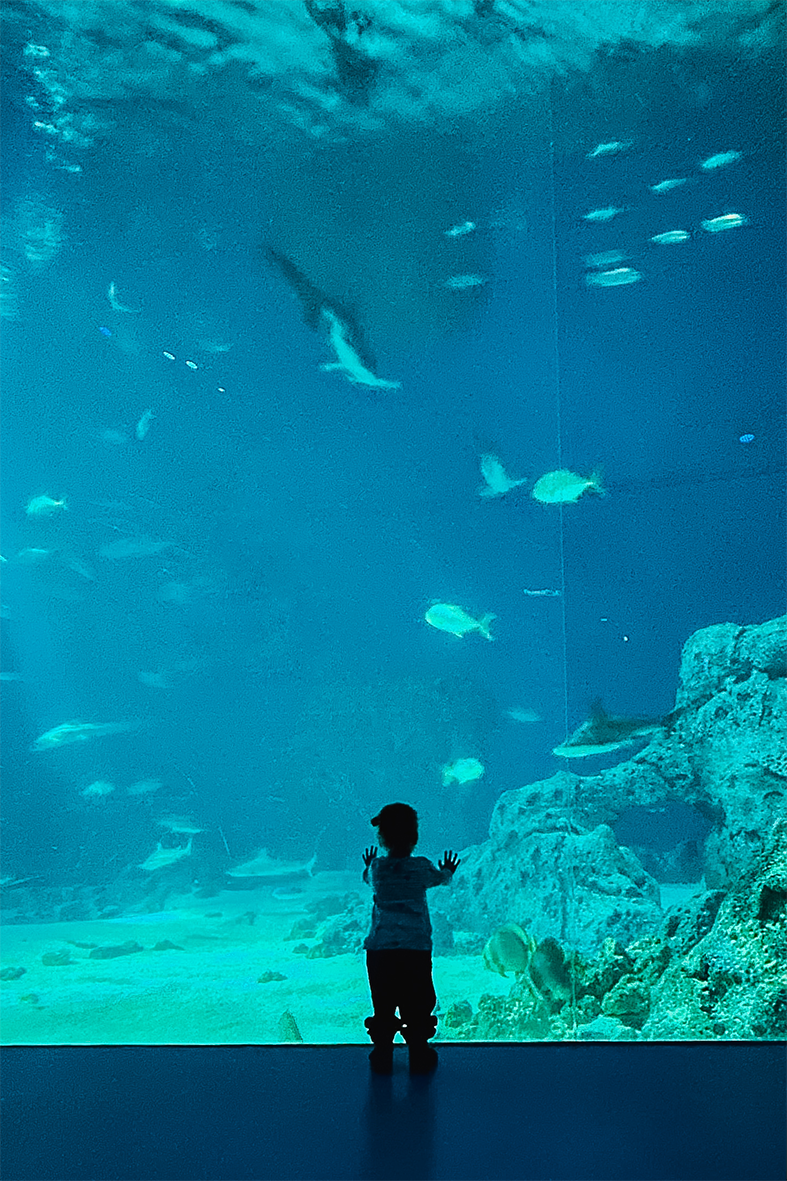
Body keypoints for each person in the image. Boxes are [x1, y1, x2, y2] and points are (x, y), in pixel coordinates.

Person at [362, 802, 460, 1074]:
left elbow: (367, 877)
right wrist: (449, 870)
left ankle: (382, 1051)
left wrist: (369, 863)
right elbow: (441, 879)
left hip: (380, 951)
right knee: (417, 1003)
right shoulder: (420, 867)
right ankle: (418, 1049)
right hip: (415, 951)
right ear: (415, 836)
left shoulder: (378, 869)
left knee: (383, 1002)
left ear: (381, 838)